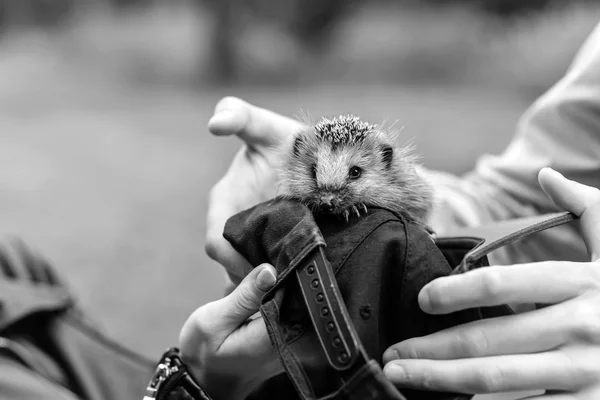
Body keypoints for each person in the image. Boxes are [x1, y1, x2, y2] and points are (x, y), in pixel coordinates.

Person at [198, 20, 600, 399]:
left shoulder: (397, 184)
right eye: (318, 174)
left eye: (354, 174)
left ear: (385, 164)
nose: (331, 194)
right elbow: (516, 199)